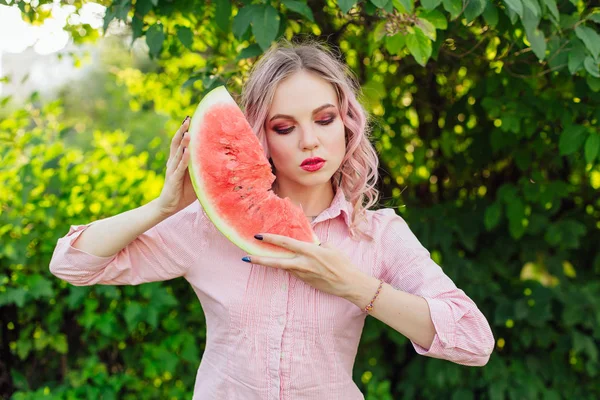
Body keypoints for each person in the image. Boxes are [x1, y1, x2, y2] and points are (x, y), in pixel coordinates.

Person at [49, 39, 495, 399]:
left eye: (324, 119)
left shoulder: (377, 235)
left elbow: (474, 341)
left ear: (347, 123)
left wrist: (354, 286)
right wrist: (164, 206)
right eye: (284, 127)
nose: (309, 142)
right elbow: (71, 263)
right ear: (258, 135)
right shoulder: (209, 228)